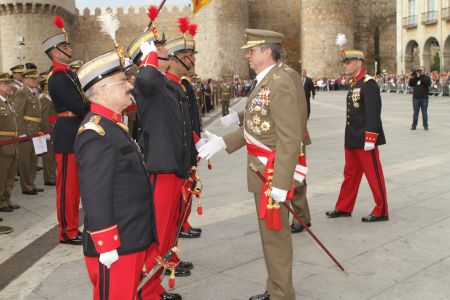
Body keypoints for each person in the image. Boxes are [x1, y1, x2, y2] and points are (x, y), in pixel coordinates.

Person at [199, 29, 306, 300]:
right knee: (270, 237)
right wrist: (224, 142)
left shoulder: (279, 81)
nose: (248, 55)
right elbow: (261, 125)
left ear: (267, 52)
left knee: (275, 238)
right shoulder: (269, 79)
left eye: (252, 50)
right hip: (263, 169)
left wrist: (282, 183)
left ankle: (282, 294)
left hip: (272, 172)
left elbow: (290, 136)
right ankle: (275, 288)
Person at [75, 48, 157, 300]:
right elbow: (95, 194)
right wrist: (106, 244)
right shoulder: (95, 133)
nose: (130, 85)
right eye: (122, 81)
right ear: (101, 91)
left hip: (133, 236)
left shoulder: (113, 125)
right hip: (118, 244)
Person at [128, 23, 191, 300]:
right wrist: (149, 57)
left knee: (167, 234)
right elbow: (146, 80)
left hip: (173, 166)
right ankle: (148, 291)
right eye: (159, 46)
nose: (166, 50)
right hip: (160, 167)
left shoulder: (166, 83)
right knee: (158, 235)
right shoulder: (148, 81)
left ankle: (155, 287)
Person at [326, 49, 388, 223]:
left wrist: (371, 137)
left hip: (365, 139)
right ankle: (344, 207)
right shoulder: (355, 83)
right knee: (350, 175)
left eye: (348, 62)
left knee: (374, 175)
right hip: (352, 137)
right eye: (344, 62)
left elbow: (374, 113)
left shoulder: (369, 84)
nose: (345, 65)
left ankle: (381, 210)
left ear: (359, 62)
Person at [43, 16, 89, 245]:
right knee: (67, 189)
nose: (70, 48)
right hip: (67, 132)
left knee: (76, 188)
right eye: (66, 46)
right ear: (56, 52)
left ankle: (73, 227)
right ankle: (66, 231)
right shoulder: (58, 78)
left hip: (76, 131)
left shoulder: (69, 74)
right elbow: (80, 105)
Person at [13, 70, 44, 195]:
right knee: (25, 160)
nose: (35, 81)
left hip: (35, 130)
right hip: (27, 130)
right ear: (25, 80)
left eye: (36, 79)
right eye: (32, 79)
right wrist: (21, 132)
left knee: (33, 159)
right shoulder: (21, 93)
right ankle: (26, 186)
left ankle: (31, 183)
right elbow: (18, 113)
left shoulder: (33, 92)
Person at [0, 72, 20, 212]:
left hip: (13, 143)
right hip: (3, 144)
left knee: (10, 174)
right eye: (5, 84)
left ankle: (6, 198)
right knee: (1, 174)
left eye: (9, 83)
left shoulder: (8, 102)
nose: (9, 86)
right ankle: (1, 202)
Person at [38, 73, 57, 186]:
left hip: (53, 127)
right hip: (48, 129)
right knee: (48, 155)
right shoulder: (44, 99)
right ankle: (49, 177)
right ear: (45, 86)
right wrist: (46, 132)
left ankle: (52, 175)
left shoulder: (49, 96)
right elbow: (44, 117)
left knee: (52, 154)